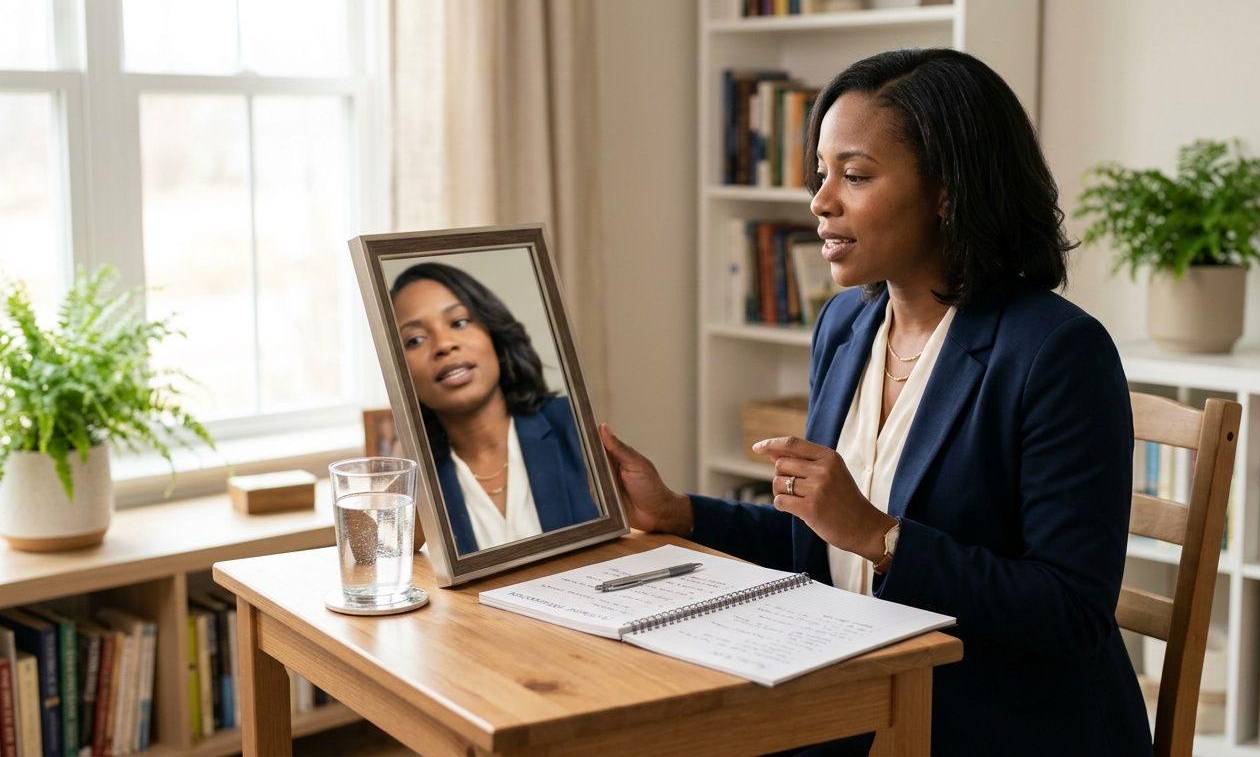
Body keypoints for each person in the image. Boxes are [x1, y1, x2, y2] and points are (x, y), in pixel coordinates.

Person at [599, 48, 1152, 756]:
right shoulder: (846, 325)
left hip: (998, 714)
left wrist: (883, 539)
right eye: (821, 174)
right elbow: (820, 545)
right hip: (860, 683)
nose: (820, 202)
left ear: (948, 189)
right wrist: (678, 512)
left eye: (855, 176)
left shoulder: (1057, 352)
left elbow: (1069, 612)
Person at [390, 262, 598, 555]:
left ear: (494, 334)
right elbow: (379, 566)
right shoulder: (416, 476)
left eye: (459, 322)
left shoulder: (574, 428)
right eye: (415, 340)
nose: (444, 344)